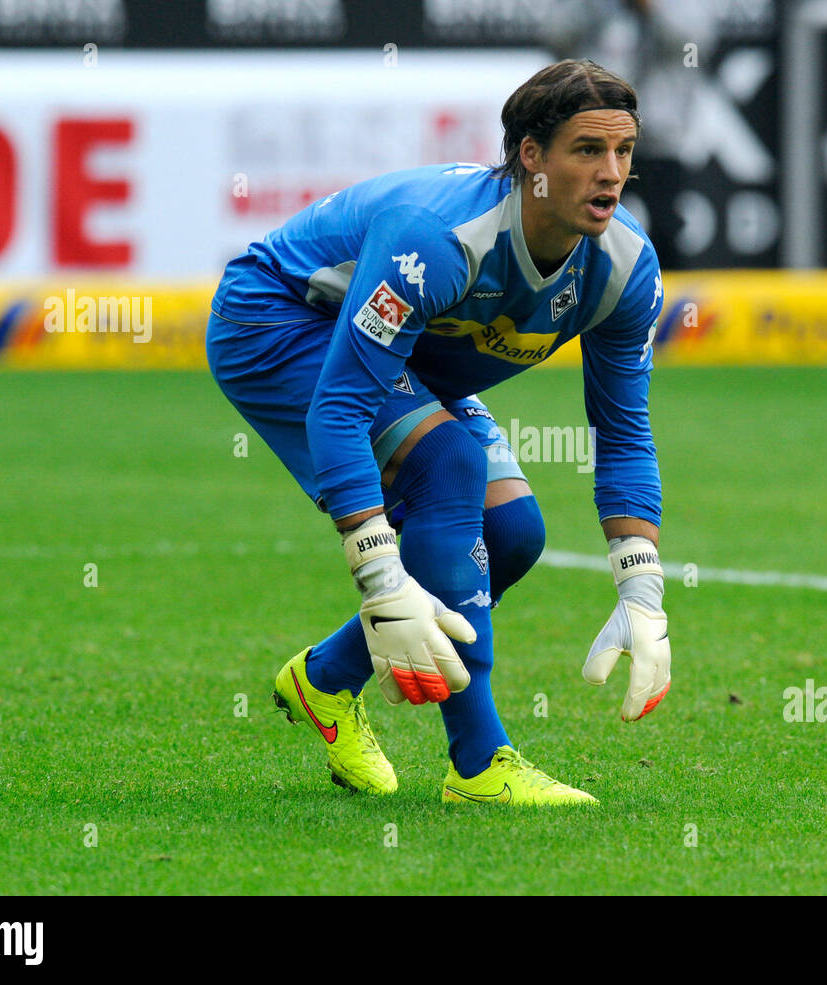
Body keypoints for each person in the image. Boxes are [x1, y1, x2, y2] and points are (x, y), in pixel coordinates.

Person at [206, 59, 671, 806]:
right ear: (530, 157)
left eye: (623, 151)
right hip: (278, 320)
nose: (611, 172)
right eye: (587, 150)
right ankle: (480, 765)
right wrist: (381, 576)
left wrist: (642, 587)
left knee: (512, 531)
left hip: (407, 357)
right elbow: (341, 407)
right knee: (448, 463)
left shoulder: (625, 267)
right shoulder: (442, 240)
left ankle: (324, 680)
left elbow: (622, 431)